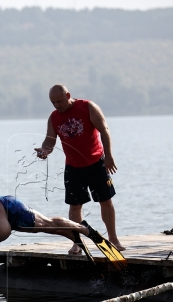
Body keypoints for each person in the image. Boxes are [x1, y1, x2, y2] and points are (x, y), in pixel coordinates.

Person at [34, 85, 123, 254]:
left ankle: (113, 239)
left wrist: (109, 156)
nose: (57, 105)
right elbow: (50, 141)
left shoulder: (87, 107)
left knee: (105, 201)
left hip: (96, 162)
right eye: (53, 103)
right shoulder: (54, 117)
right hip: (73, 167)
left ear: (68, 95)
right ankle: (78, 243)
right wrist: (44, 150)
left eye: (60, 101)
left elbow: (104, 130)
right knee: (75, 206)